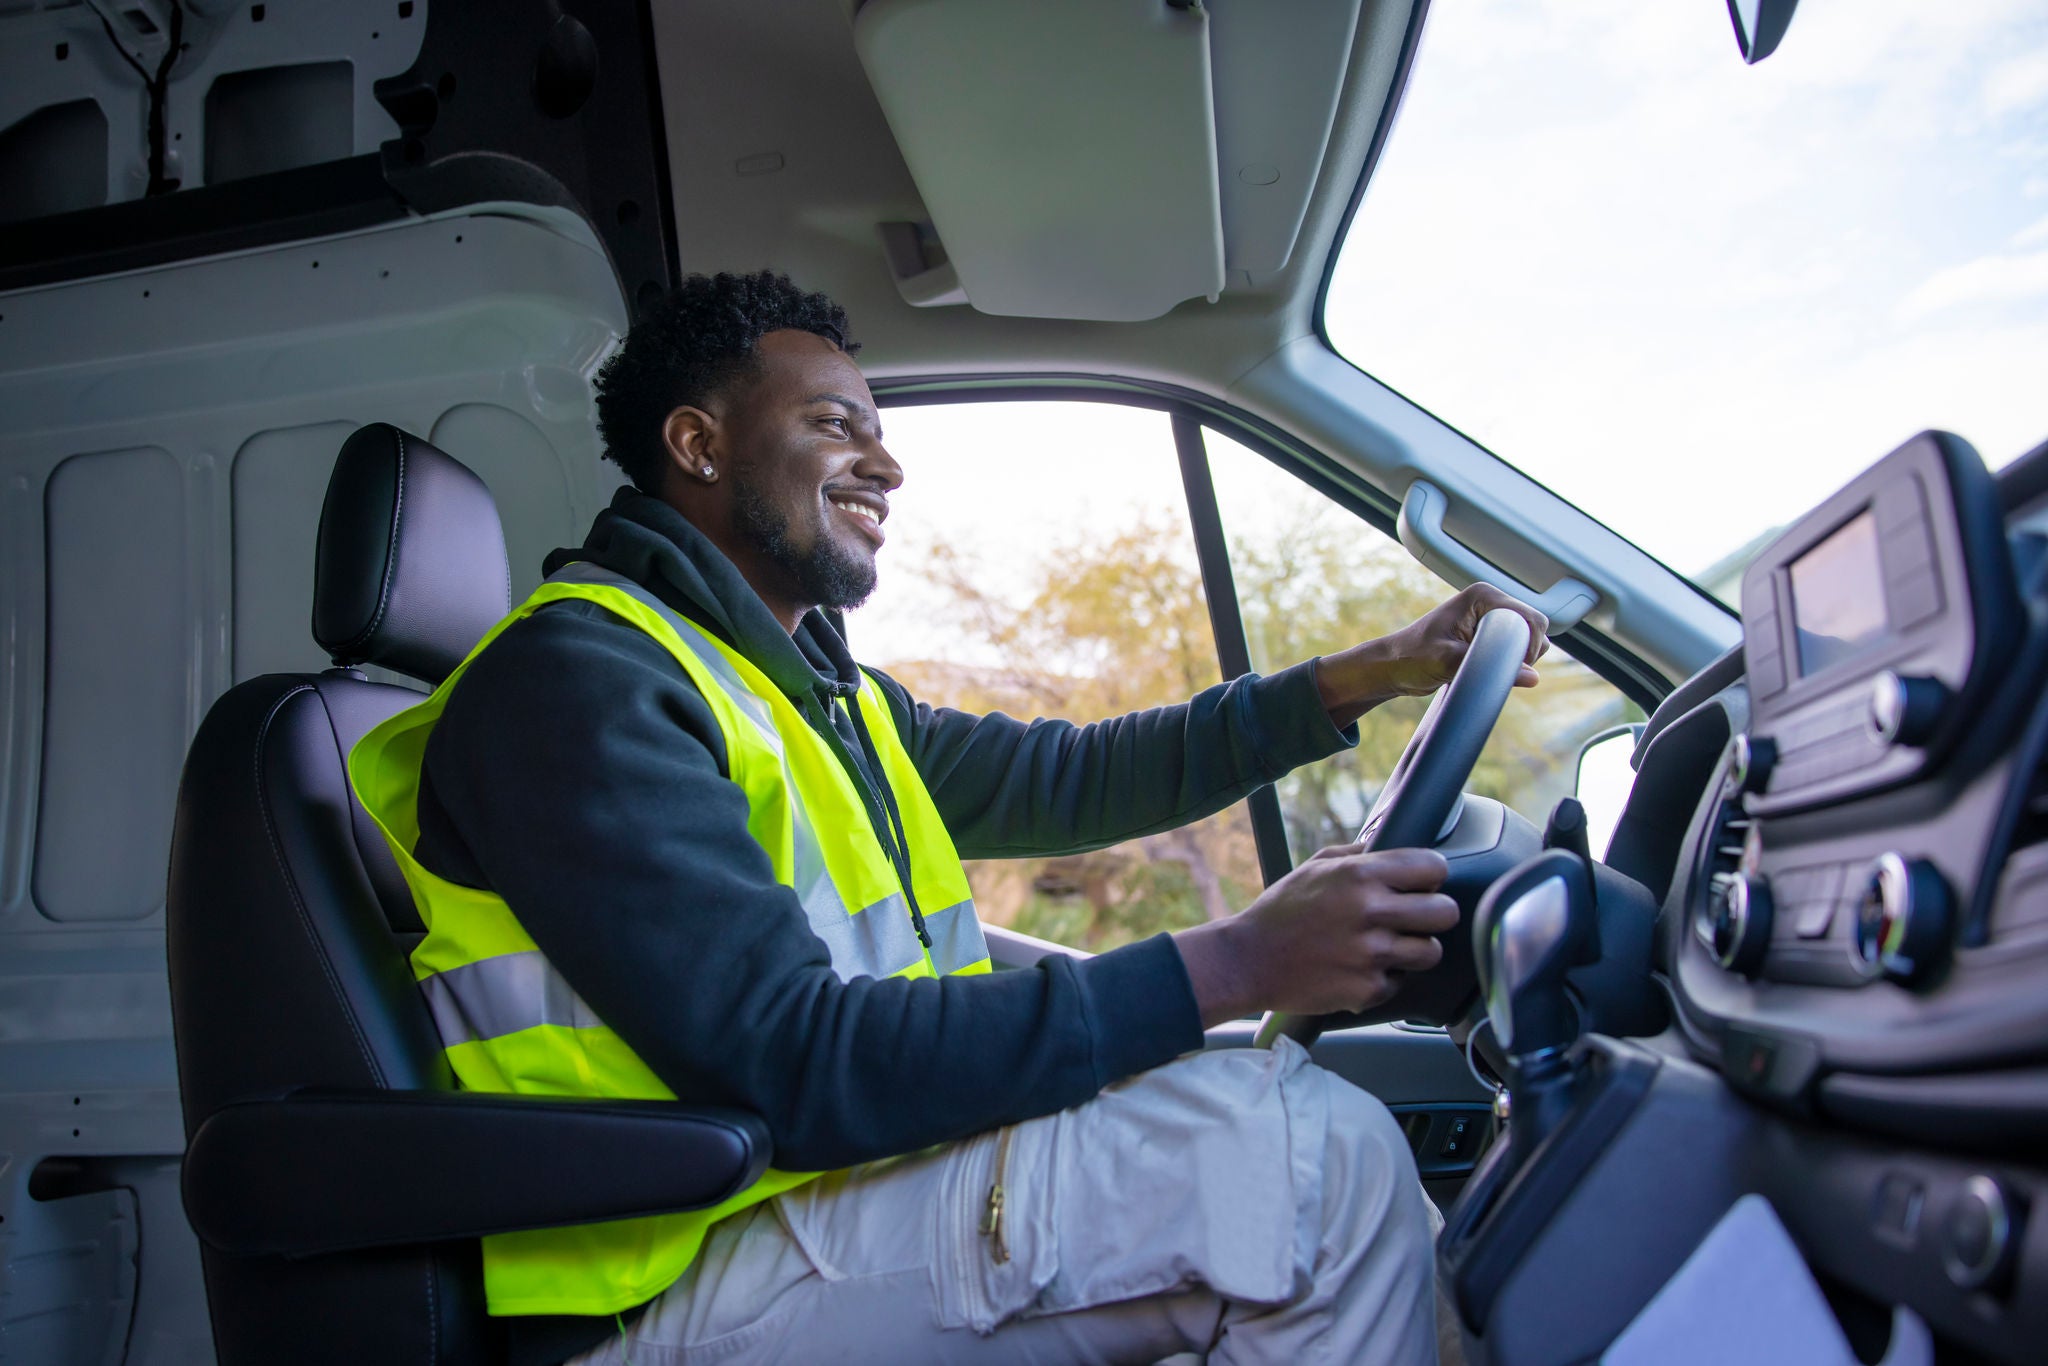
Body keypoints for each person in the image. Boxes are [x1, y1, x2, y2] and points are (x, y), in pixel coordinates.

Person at [352, 271, 1547, 1366]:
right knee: (1302, 1165)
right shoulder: (575, 685)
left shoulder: (813, 692)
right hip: (663, 1279)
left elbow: (1073, 778)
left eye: (879, 430)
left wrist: (1362, 675)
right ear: (697, 444)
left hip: (830, 1197)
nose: (883, 463)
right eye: (833, 423)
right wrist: (1235, 958)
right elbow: (793, 1060)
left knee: (1284, 1152)